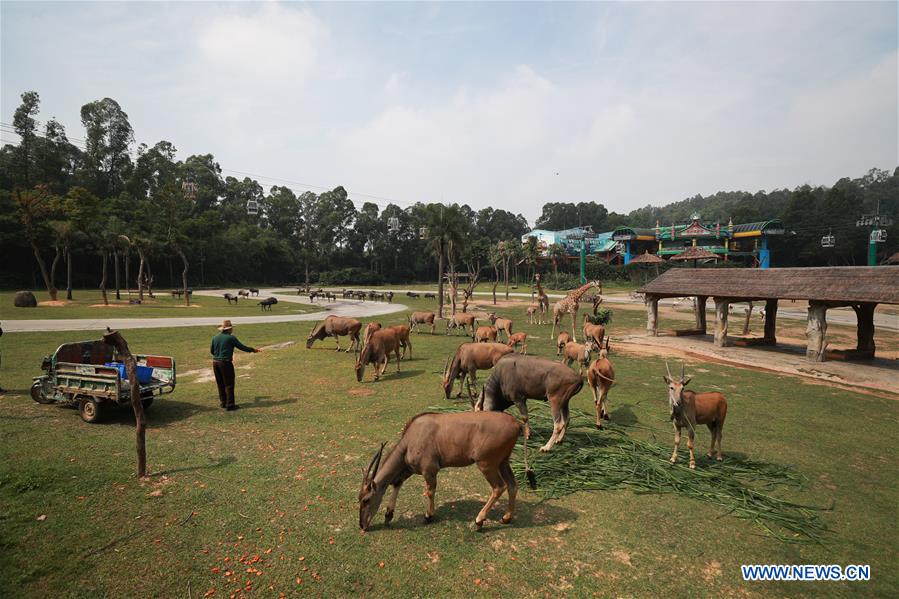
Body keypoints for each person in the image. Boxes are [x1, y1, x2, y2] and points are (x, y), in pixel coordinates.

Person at [210, 320, 259, 411]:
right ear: (229, 329)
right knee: (229, 384)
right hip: (225, 363)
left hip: (215, 363)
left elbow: (212, 351)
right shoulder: (231, 338)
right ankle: (230, 405)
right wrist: (253, 350)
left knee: (220, 383)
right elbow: (242, 347)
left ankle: (223, 402)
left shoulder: (215, 337)